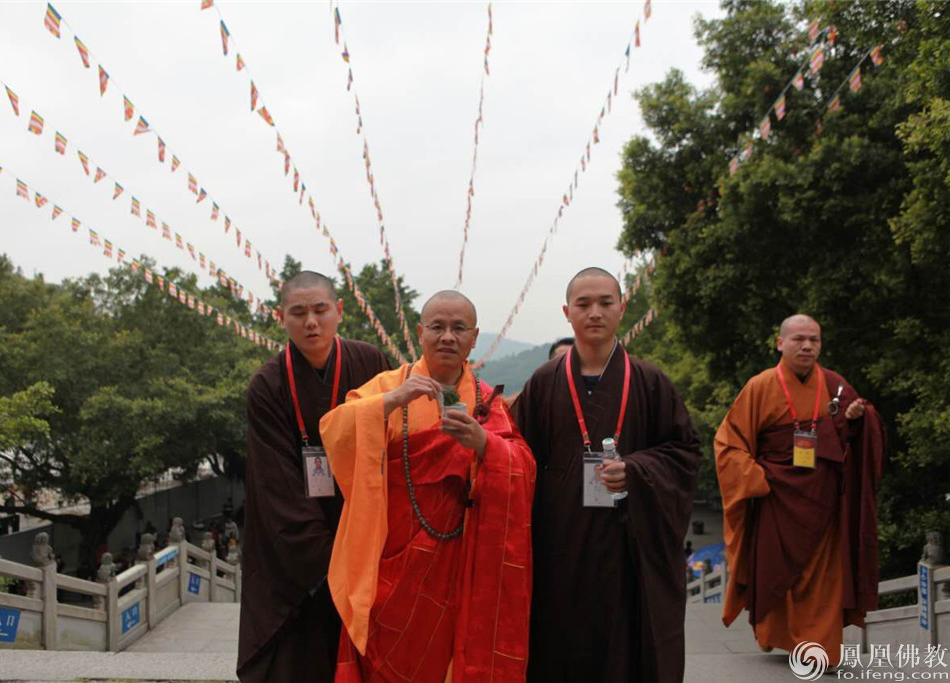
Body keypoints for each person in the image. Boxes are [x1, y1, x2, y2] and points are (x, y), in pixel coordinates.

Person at [320, 290, 536, 681]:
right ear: (420, 333)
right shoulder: (388, 384)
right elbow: (335, 430)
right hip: (394, 565)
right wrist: (389, 402)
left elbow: (524, 468)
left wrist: (485, 444)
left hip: (461, 566)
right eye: (437, 327)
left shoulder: (489, 402)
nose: (447, 337)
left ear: (474, 337)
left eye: (459, 328)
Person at [511, 267, 702, 683]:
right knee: (562, 648)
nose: (594, 312)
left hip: (630, 547)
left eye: (605, 302)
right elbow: (515, 457)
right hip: (561, 547)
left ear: (622, 309)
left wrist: (638, 470)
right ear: (567, 312)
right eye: (583, 304)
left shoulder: (651, 382)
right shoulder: (543, 383)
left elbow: (685, 453)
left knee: (629, 649)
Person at [237, 271, 390, 682]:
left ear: (339, 311)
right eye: (299, 312)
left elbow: (393, 452)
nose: (311, 322)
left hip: (367, 538)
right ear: (280, 317)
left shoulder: (370, 363)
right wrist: (329, 564)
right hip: (299, 561)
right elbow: (275, 486)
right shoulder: (268, 386)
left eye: (321, 310)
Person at [714, 314, 886, 665]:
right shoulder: (761, 386)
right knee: (779, 572)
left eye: (814, 340)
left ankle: (819, 647)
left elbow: (854, 438)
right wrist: (755, 479)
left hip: (824, 501)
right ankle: (782, 634)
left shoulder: (836, 385)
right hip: (776, 498)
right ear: (780, 343)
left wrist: (857, 420)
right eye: (799, 339)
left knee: (823, 577)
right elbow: (728, 443)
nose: (807, 346)